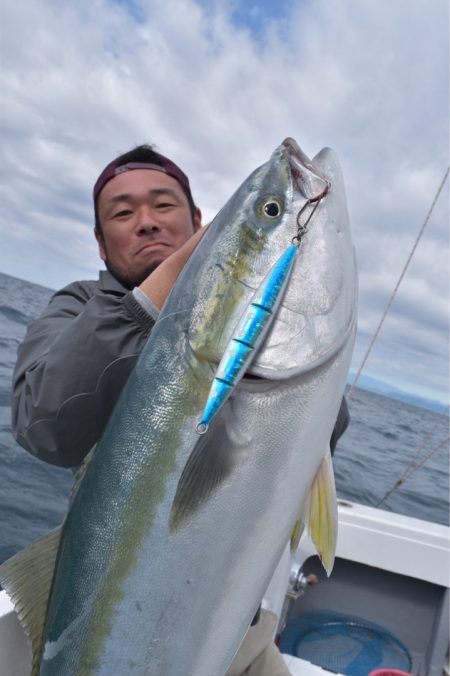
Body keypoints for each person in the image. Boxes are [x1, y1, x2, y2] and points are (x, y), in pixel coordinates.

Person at [12, 144, 292, 675]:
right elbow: (43, 427)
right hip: (110, 612)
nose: (145, 223)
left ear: (199, 222)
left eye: (163, 205)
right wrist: (150, 302)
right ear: (100, 243)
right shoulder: (77, 308)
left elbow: (311, 428)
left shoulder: (265, 307)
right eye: (122, 213)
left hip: (236, 625)